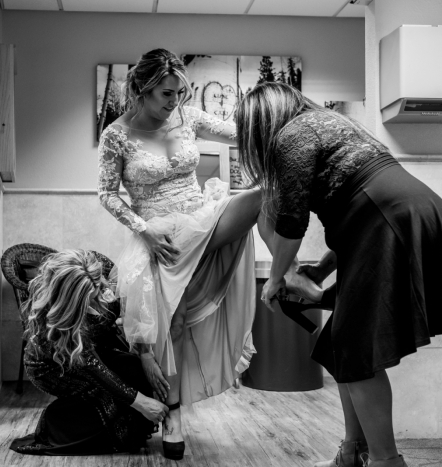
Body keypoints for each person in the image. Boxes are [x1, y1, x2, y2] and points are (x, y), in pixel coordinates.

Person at [97, 48, 323, 460]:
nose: (175, 102)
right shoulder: (116, 134)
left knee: (264, 194)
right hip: (161, 238)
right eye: (166, 94)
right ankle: (173, 416)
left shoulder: (189, 117)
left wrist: (291, 128)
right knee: (174, 326)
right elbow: (107, 195)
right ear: (142, 91)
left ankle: (285, 273)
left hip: (202, 221)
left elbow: (243, 133)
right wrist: (143, 232)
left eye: (180, 92)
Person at [236, 82, 442, 467]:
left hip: (388, 221)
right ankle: (352, 452)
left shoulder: (291, 136)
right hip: (411, 212)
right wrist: (322, 269)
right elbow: (357, 207)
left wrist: (279, 277)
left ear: (259, 123)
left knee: (357, 353)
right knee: (339, 343)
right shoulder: (330, 123)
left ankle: (384, 460)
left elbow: (292, 221)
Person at [9, 249, 168, 456]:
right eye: (88, 300)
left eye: (98, 289)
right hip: (54, 368)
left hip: (94, 351)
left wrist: (145, 354)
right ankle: (59, 423)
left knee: (134, 370)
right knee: (108, 397)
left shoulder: (99, 266)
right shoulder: (55, 321)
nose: (96, 300)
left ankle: (110, 425)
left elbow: (137, 299)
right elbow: (92, 366)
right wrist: (141, 403)